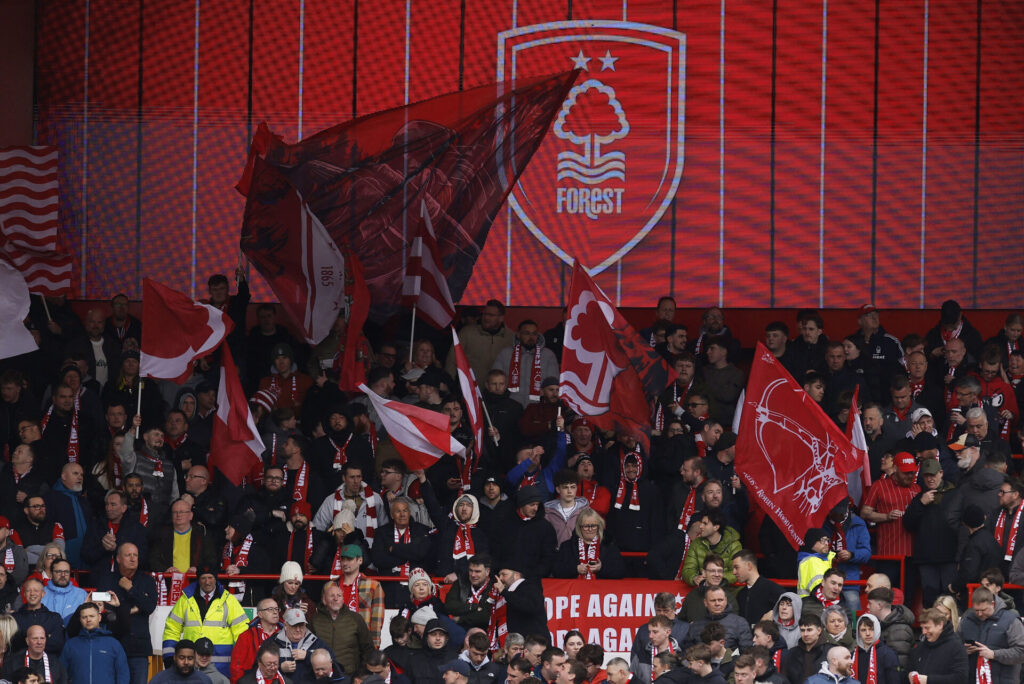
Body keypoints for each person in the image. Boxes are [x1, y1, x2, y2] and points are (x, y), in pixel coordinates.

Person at [162, 565, 249, 677]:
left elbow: (242, 633)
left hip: (221, 670)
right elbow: (171, 629)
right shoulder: (185, 600)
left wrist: (242, 662)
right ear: (198, 580)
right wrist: (169, 658)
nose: (207, 582)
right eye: (203, 578)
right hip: (191, 668)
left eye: (210, 577)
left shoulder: (229, 601)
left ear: (216, 579)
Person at [94, 542, 156, 684]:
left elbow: (149, 606)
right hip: (112, 644)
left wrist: (131, 589)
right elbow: (101, 609)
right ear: (118, 559)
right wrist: (132, 609)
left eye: (135, 555)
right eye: (128, 555)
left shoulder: (147, 580)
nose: (133, 558)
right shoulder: (106, 579)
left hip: (139, 648)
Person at [958, 586, 1024, 684]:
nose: (980, 614)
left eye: (983, 610)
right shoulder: (966, 620)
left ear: (992, 604)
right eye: (976, 610)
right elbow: (954, 649)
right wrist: (963, 651)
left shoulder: (1011, 620)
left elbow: (1021, 652)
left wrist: (994, 654)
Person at [309, 583, 372, 676]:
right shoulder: (314, 620)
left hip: (350, 676)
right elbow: (307, 648)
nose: (336, 598)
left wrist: (361, 673)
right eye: (332, 596)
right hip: (323, 676)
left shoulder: (356, 619)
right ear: (324, 600)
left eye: (339, 595)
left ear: (343, 599)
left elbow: (368, 648)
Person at [59, 603, 129, 684]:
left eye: (92, 616)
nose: (88, 619)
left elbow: (123, 673)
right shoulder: (71, 645)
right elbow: (62, 673)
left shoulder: (113, 643)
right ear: (80, 620)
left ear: (99, 617)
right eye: (84, 617)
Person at [553, 508, 625, 579]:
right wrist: (575, 569)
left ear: (598, 526)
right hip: (575, 589)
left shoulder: (609, 544)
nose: (590, 529)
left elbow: (620, 571)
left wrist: (601, 568)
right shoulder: (567, 546)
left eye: (593, 526)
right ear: (579, 527)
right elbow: (556, 571)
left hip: (602, 589)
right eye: (586, 526)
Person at [906, 608, 969, 684]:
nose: (924, 632)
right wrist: (910, 675)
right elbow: (909, 668)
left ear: (940, 625)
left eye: (927, 628)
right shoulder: (920, 647)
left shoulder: (956, 646)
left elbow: (961, 678)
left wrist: (928, 680)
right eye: (922, 628)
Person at [271, 608, 334, 684]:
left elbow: (333, 664)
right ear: (285, 625)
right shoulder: (272, 642)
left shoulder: (316, 643)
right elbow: (260, 667)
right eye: (294, 626)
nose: (298, 629)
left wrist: (308, 656)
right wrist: (279, 667)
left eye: (301, 625)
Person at [231, 597, 283, 684]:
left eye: (276, 609)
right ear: (260, 614)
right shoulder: (246, 636)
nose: (275, 612)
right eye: (270, 609)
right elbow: (236, 667)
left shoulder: (287, 633)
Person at [684, 586, 752, 650]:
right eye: (713, 600)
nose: (717, 604)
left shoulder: (740, 623)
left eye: (720, 600)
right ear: (705, 603)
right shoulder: (695, 625)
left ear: (726, 601)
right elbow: (686, 652)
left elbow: (746, 651)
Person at [492, 563, 547, 641]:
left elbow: (529, 606)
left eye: (504, 574)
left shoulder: (530, 587)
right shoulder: (506, 592)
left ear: (516, 575)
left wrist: (504, 592)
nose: (500, 578)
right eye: (499, 575)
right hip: (515, 644)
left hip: (535, 643)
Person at [13, 578, 65, 654]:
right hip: (20, 663)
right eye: (28, 591)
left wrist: (25, 637)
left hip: (48, 663)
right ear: (24, 594)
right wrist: (46, 637)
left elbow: (57, 645)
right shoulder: (14, 618)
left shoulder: (54, 618)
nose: (32, 593)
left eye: (36, 590)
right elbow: (14, 645)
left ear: (43, 594)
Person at [732, 549, 784, 625]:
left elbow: (792, 605)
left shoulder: (771, 588)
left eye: (736, 567)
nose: (734, 572)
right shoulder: (741, 594)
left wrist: (774, 613)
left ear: (749, 566)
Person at [444, 554, 494, 631]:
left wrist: (461, 618)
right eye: (470, 570)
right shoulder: (461, 582)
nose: (473, 575)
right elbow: (450, 605)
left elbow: (486, 616)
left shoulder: (494, 587)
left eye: (477, 571)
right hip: (460, 630)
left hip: (484, 630)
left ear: (487, 572)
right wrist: (473, 607)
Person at [781, 614, 827, 684]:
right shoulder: (792, 653)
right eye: (802, 630)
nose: (805, 634)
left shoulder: (830, 652)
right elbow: (784, 679)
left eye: (809, 630)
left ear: (819, 631)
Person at [40, 559, 86, 625]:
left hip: (74, 634)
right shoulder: (40, 593)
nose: (63, 575)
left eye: (66, 572)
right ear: (51, 573)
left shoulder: (81, 594)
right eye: (59, 571)